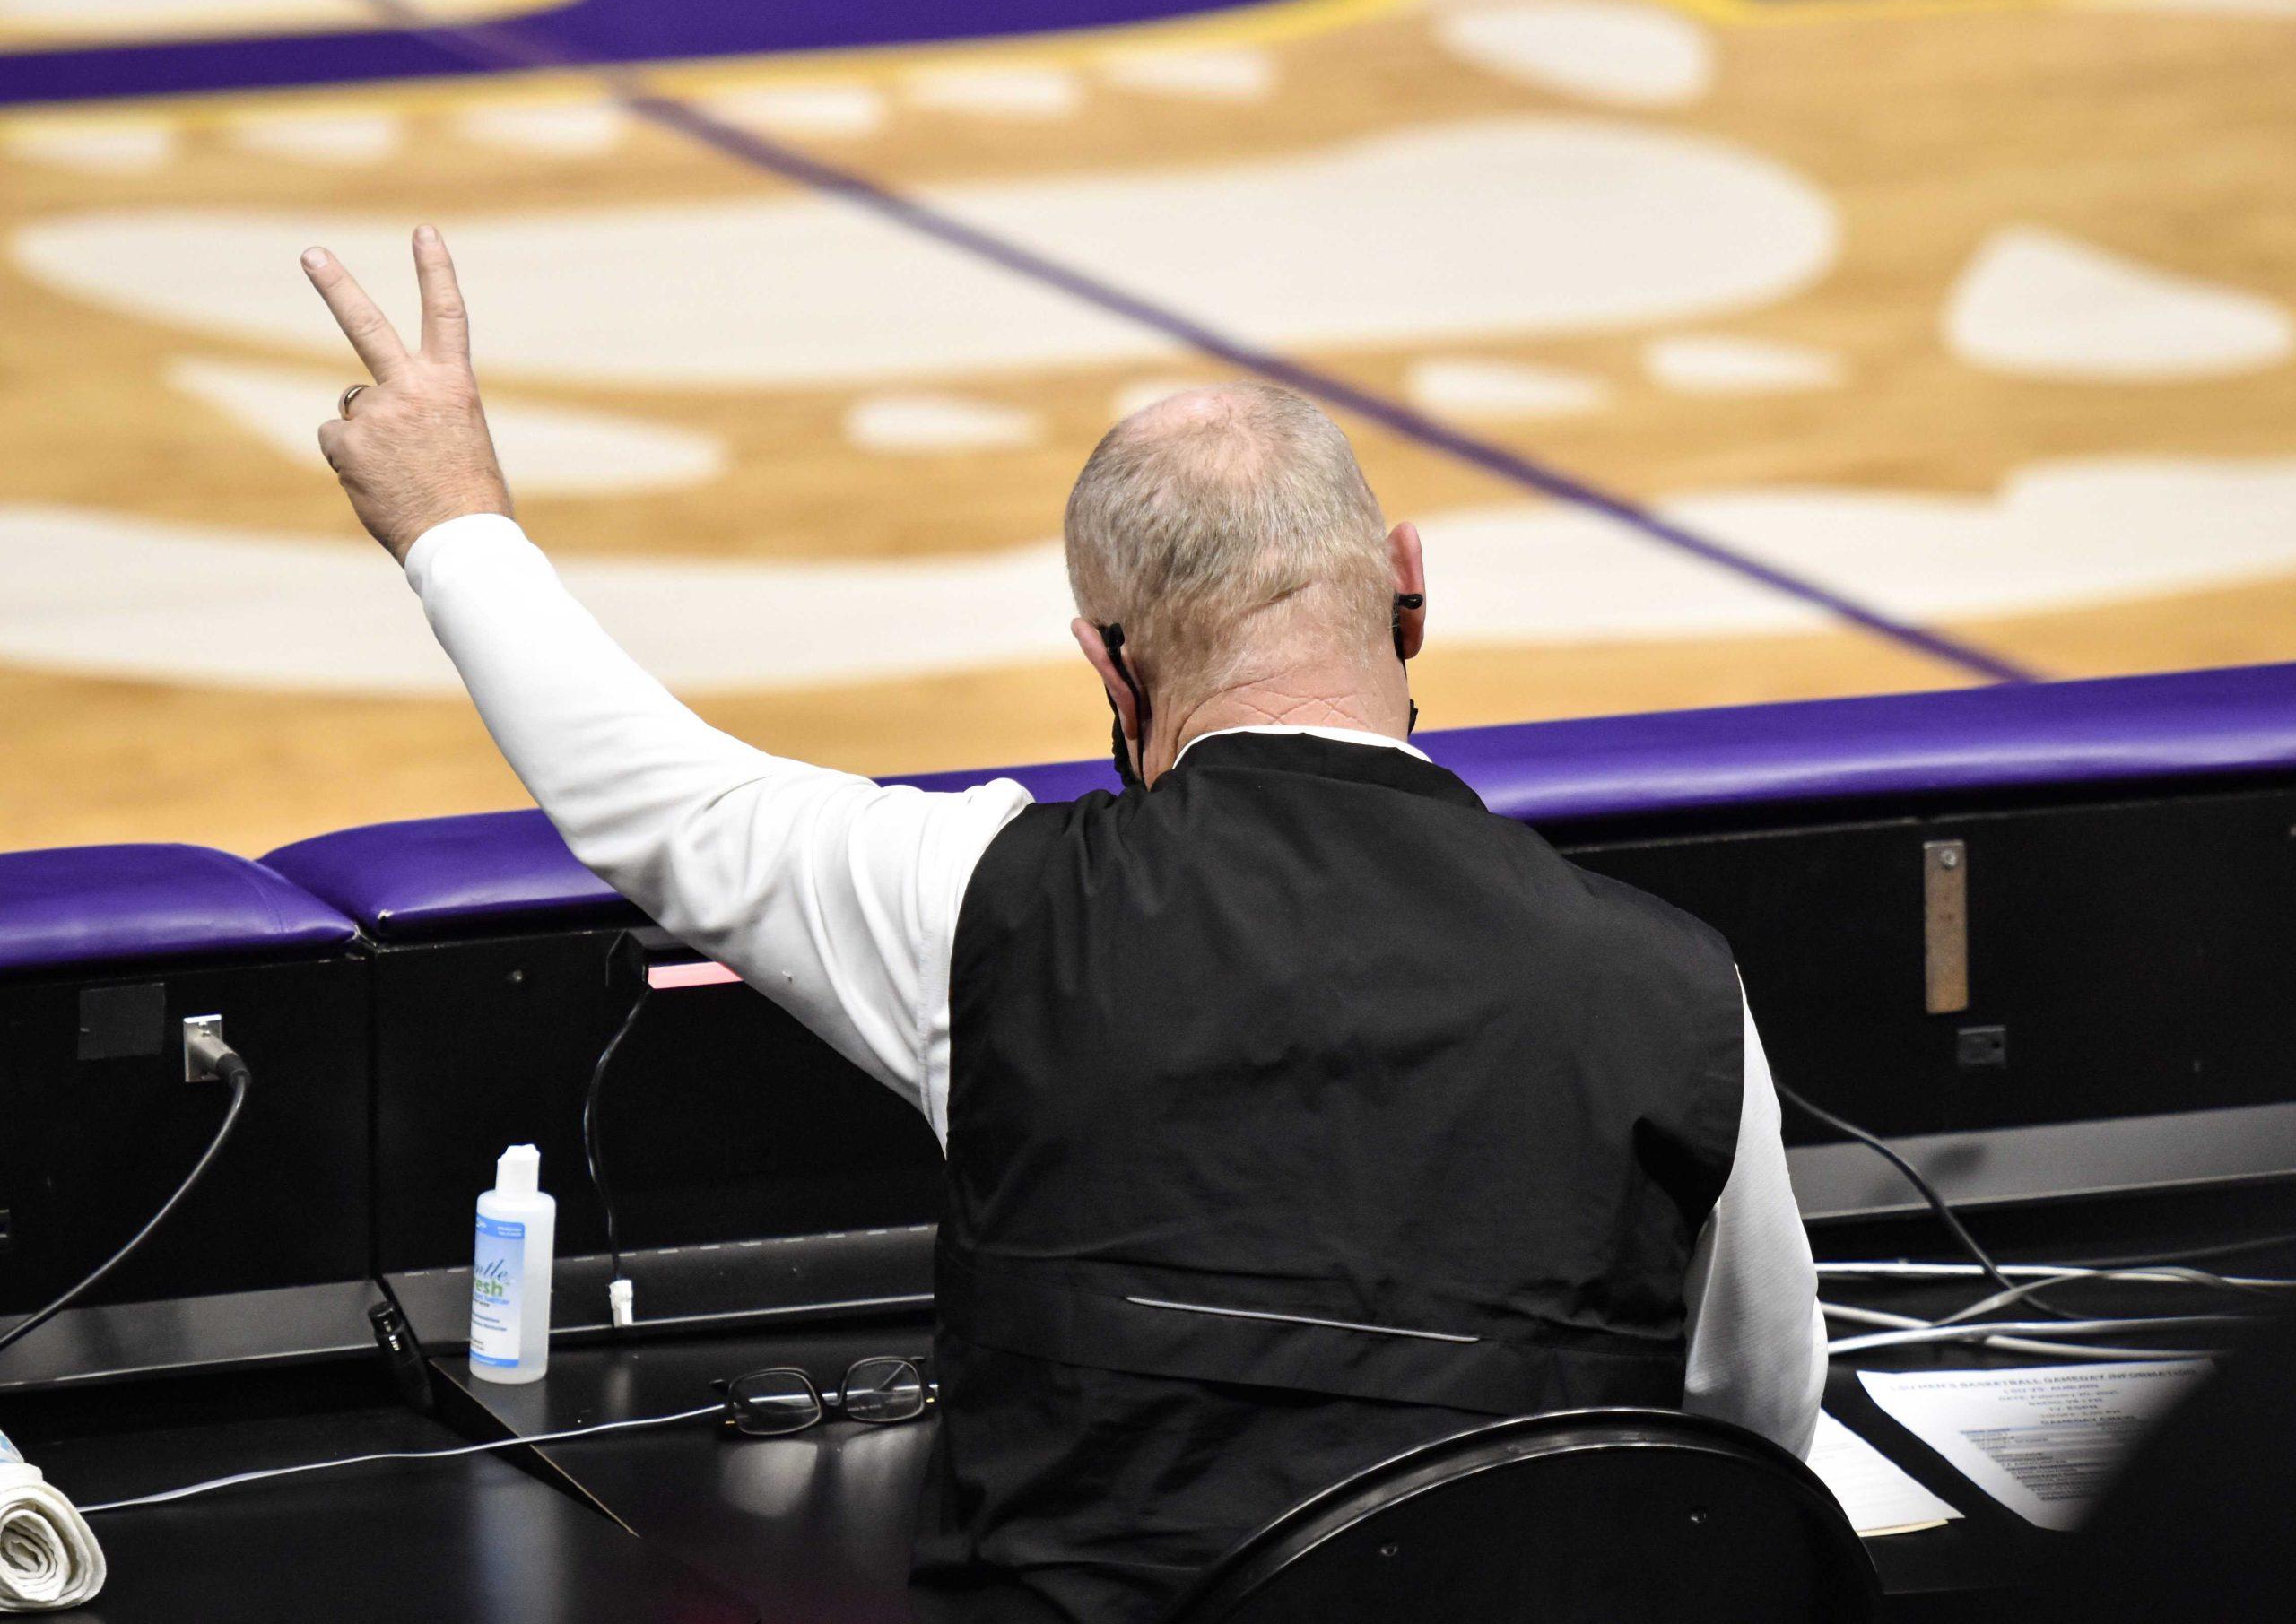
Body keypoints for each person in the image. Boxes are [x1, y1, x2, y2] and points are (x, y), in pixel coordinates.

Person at [302, 230, 1826, 1621]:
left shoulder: (984, 906)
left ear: (1108, 665)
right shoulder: (1678, 984)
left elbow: (662, 808)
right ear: (1408, 586)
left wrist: (453, 521)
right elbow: (1748, 1434)